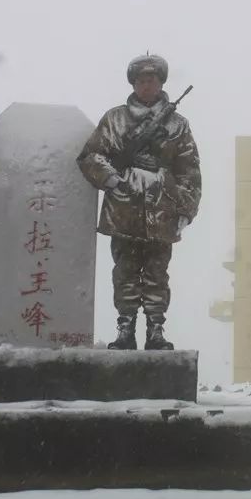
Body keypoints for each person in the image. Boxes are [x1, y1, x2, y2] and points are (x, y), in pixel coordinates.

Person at [77, 54, 201, 350]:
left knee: (157, 272)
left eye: (153, 81)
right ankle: (125, 327)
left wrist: (185, 209)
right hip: (124, 206)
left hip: (162, 206)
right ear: (134, 83)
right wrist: (113, 180)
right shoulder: (115, 118)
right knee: (125, 271)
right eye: (142, 81)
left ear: (161, 84)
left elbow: (189, 170)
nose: (148, 86)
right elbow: (92, 156)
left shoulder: (178, 124)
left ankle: (156, 328)